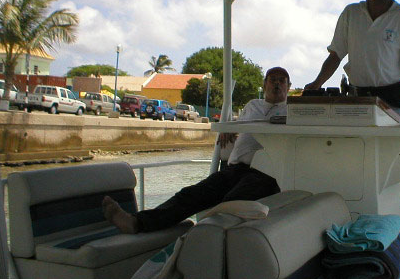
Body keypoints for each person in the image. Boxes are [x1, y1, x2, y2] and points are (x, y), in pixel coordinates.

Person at [103, 66, 292, 234]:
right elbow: (237, 124)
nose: (277, 84)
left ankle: (200, 239)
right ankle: (137, 222)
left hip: (266, 172)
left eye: (281, 81)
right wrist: (228, 128)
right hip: (235, 168)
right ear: (265, 84)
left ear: (288, 86)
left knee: (231, 202)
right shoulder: (253, 105)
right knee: (191, 194)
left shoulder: (292, 110)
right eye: (272, 80)